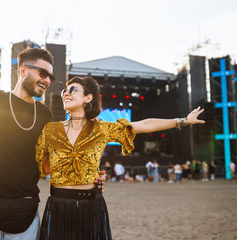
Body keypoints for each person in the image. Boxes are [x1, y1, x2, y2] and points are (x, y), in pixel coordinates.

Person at [0, 19, 106, 240]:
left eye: (50, 77)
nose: (47, 80)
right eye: (42, 73)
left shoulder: (45, 115)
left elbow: (49, 163)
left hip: (27, 215)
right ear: (23, 70)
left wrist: (90, 177)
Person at [35, 76, 205, 239]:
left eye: (73, 89)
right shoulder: (50, 130)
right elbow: (37, 165)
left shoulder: (102, 129)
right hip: (57, 206)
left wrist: (183, 121)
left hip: (90, 207)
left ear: (88, 98)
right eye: (65, 90)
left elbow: (145, 124)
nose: (66, 93)